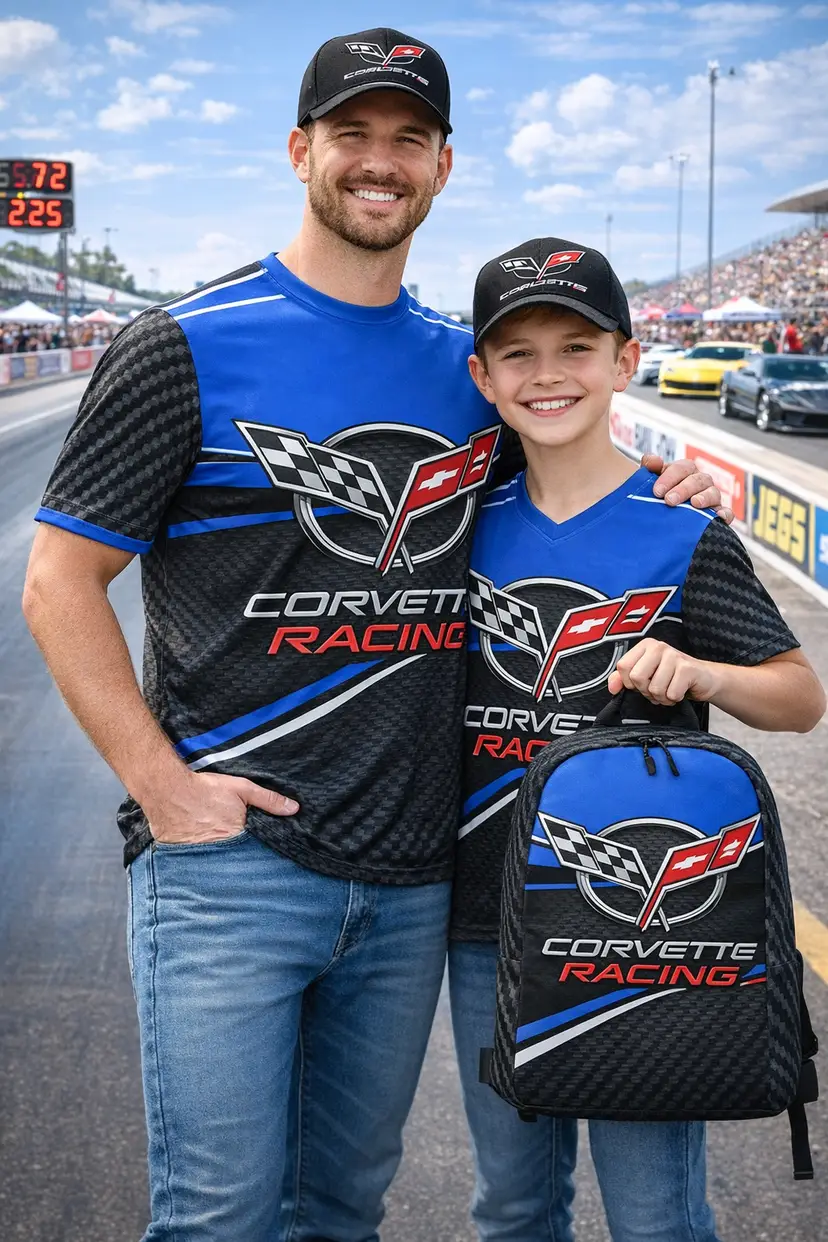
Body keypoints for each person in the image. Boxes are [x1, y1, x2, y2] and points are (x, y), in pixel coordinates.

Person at [22, 30, 724, 1242]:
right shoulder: (185, 344)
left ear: (444, 165)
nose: (380, 161)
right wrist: (161, 785)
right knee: (219, 1218)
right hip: (230, 867)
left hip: (409, 884)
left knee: (344, 1213)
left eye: (410, 138)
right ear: (301, 151)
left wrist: (676, 488)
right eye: (353, 133)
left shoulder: (467, 371)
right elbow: (58, 581)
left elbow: (570, 483)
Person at [450, 236, 825, 1242]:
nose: (548, 375)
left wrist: (703, 674)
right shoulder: (460, 528)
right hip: (489, 920)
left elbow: (800, 698)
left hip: (642, 930)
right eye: (519, 353)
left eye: (576, 347)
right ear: (483, 376)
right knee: (513, 1207)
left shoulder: (680, 526)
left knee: (657, 1215)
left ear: (625, 360)